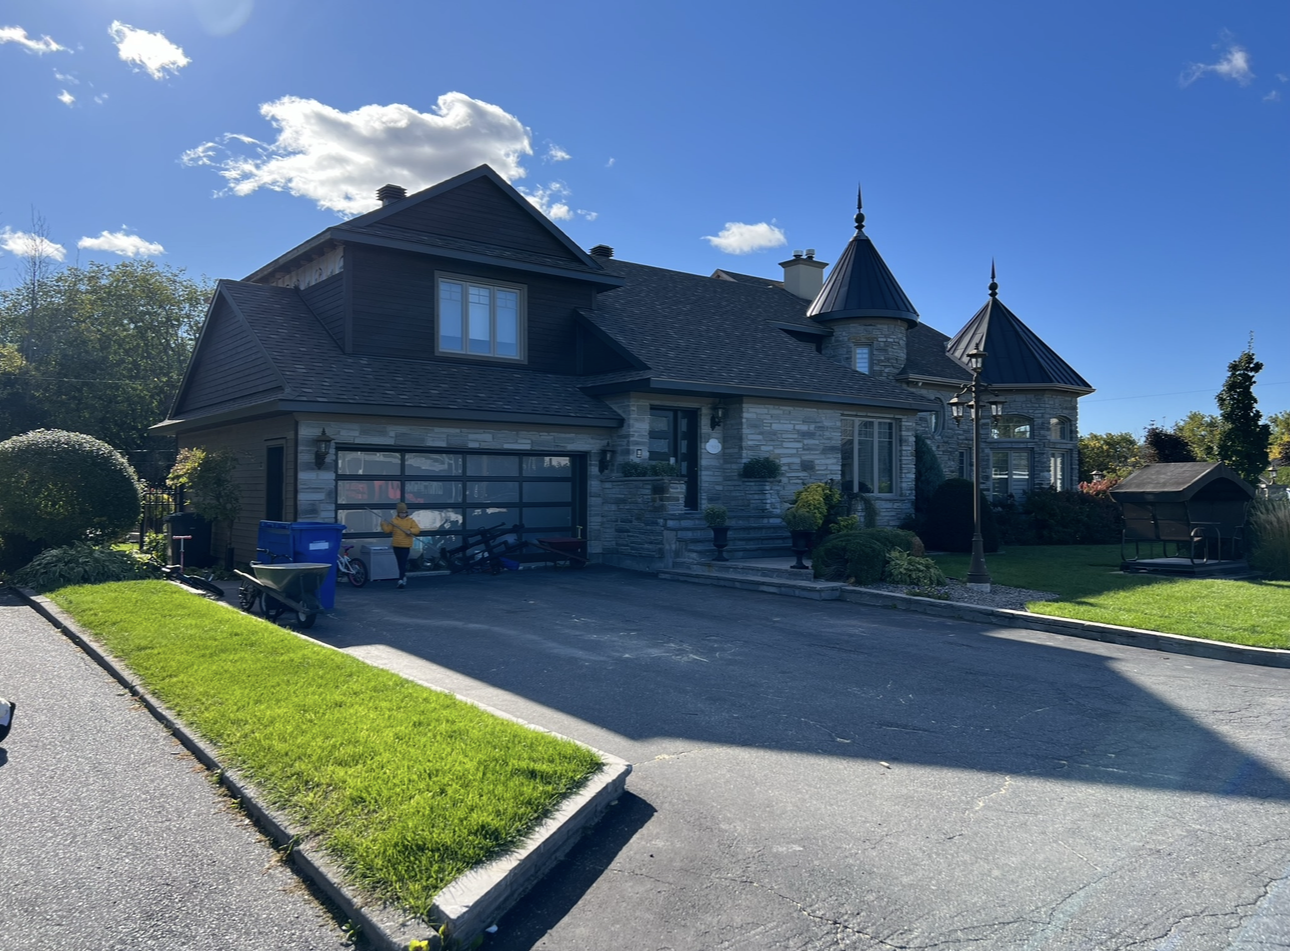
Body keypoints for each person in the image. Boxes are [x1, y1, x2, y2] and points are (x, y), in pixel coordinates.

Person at [380, 503, 421, 589]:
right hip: (396, 545)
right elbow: (387, 531)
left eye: (405, 512)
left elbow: (417, 530)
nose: (403, 514)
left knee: (403, 562)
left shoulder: (410, 521)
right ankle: (403, 576)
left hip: (406, 545)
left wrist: (410, 531)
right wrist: (383, 523)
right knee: (399, 563)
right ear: (398, 513)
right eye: (401, 513)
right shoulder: (394, 521)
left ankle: (401, 580)